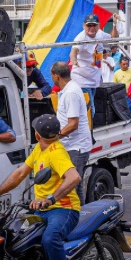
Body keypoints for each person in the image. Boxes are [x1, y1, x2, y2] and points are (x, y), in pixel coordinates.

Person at [0, 114, 81, 260]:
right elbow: (19, 174)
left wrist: (51, 199)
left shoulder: (57, 152)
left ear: (37, 135)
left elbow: (74, 177)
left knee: (50, 239)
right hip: (41, 210)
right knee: (14, 235)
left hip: (64, 209)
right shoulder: (39, 148)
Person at [50, 61, 93, 203]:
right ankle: (80, 214)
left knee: (72, 185)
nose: (51, 78)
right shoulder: (68, 90)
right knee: (76, 184)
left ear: (56, 76)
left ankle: (77, 217)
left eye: (51, 75)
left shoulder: (71, 93)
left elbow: (73, 124)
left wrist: (54, 138)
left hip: (76, 147)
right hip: (71, 145)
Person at [69, 14, 115, 117]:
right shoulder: (81, 37)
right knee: (90, 109)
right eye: (89, 25)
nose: (91, 28)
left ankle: (87, 129)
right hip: (81, 79)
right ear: (84, 26)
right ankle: (85, 131)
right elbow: (74, 51)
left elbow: (113, 38)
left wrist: (115, 24)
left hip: (93, 79)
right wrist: (74, 60)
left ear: (98, 26)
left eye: (94, 25)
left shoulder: (100, 34)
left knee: (89, 108)